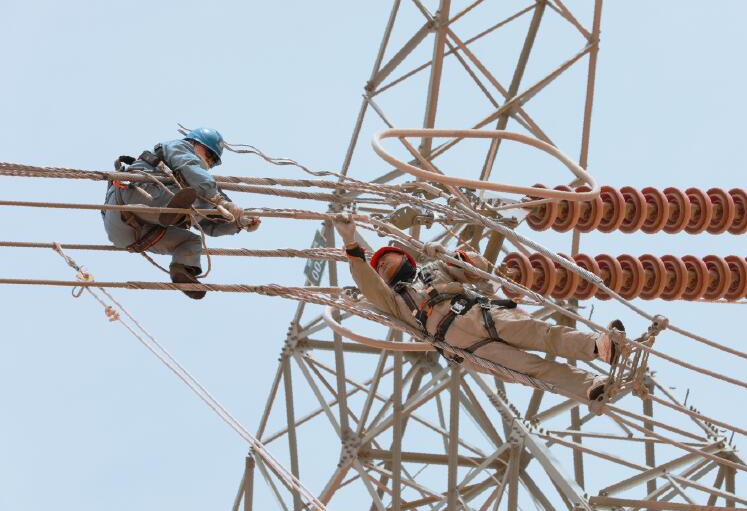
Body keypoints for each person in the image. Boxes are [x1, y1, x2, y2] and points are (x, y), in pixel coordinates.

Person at [333, 214, 625, 402]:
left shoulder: (433, 269)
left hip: (480, 315)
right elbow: (367, 283)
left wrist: (451, 257)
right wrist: (349, 241)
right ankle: (590, 387)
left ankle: (599, 347)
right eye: (379, 266)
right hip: (465, 348)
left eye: (387, 259)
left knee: (543, 334)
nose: (382, 265)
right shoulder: (394, 302)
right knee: (530, 370)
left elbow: (478, 271)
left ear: (405, 257)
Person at [103, 128, 261, 299]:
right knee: (197, 193)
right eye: (209, 154)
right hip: (135, 195)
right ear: (194, 142)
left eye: (214, 161)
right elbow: (189, 167)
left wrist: (237, 223)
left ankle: (182, 269)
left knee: (192, 241)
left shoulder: (199, 185)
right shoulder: (179, 147)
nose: (209, 161)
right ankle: (172, 211)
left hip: (130, 235)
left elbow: (208, 222)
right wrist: (219, 199)